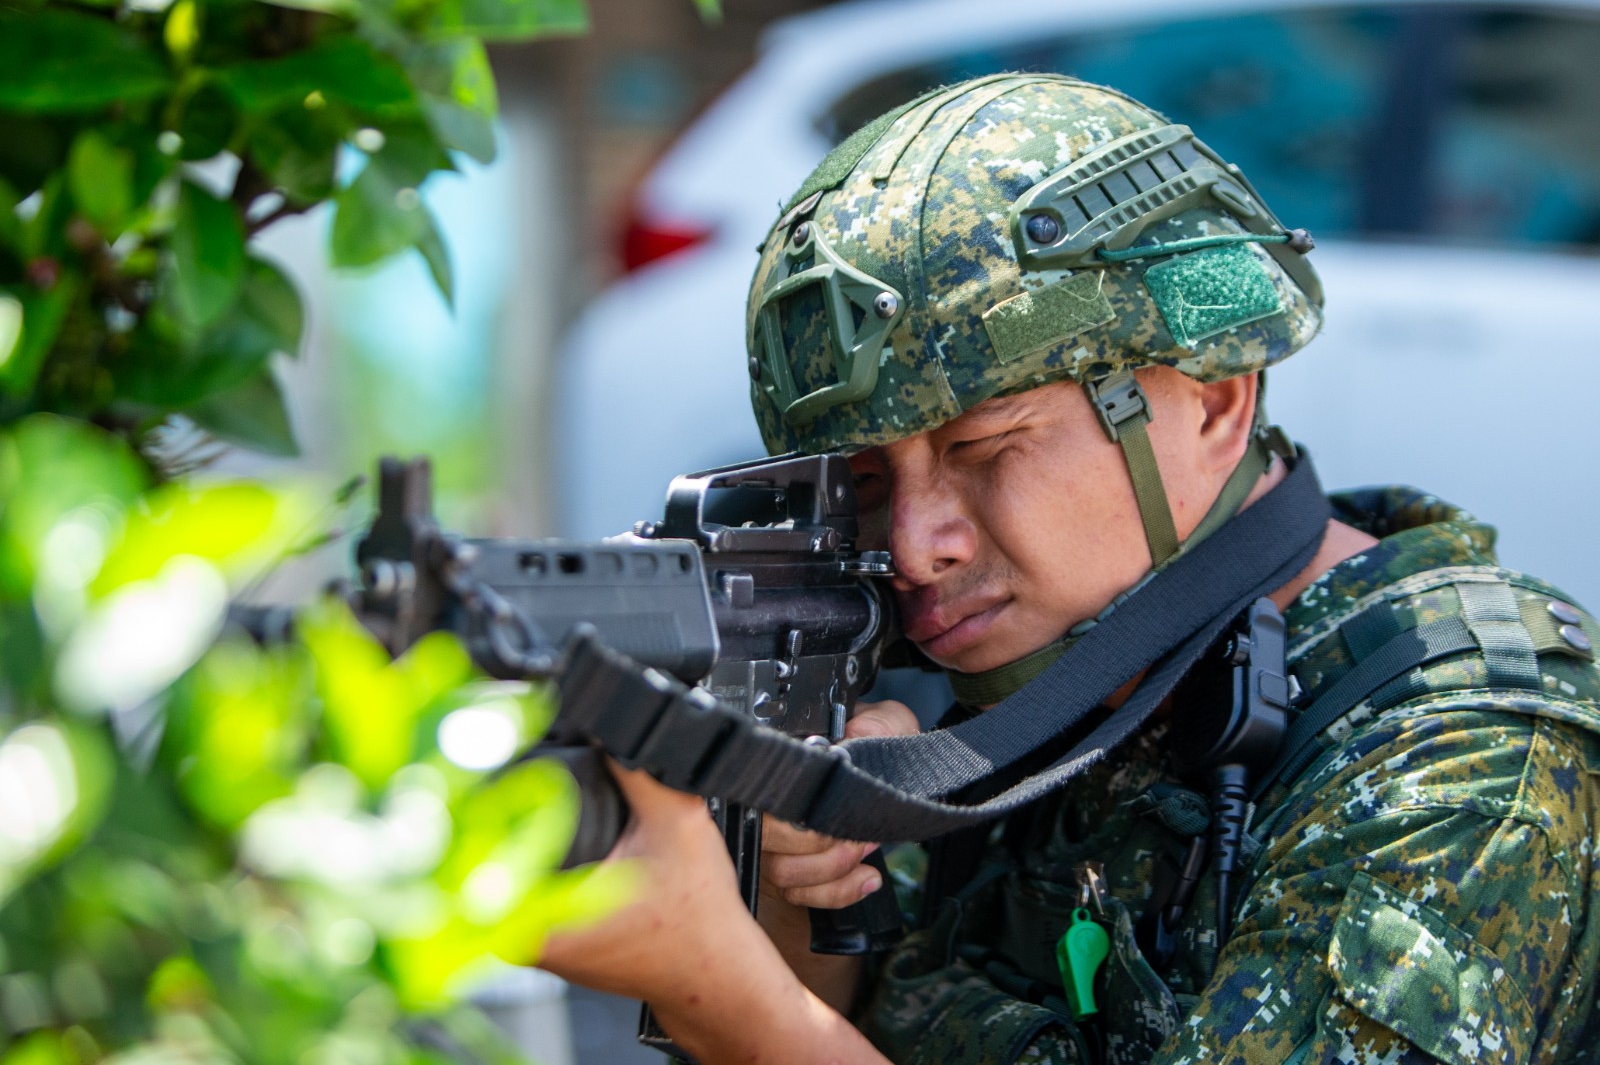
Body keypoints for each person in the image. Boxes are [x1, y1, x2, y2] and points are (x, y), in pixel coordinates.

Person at [540, 74, 1600, 1063]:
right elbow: (872, 1016)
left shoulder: (1460, 760)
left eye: (984, 448)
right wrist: (792, 892)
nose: (913, 546)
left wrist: (715, 987)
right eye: (865, 481)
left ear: (1213, 401)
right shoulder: (1041, 680)